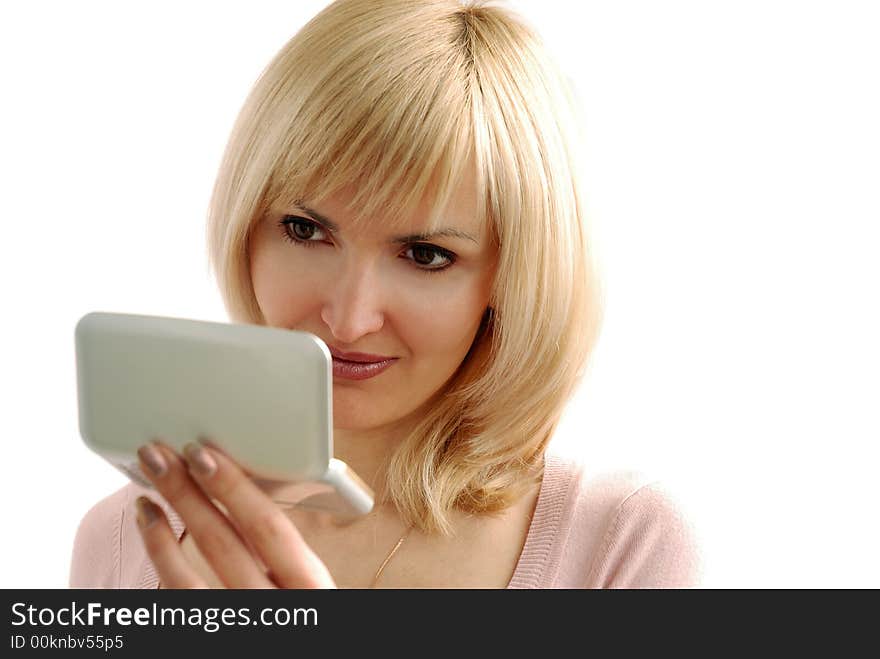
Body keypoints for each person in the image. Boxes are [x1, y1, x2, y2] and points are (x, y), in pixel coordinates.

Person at [70, 0, 701, 589]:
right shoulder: (125, 541)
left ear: (511, 278)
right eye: (304, 229)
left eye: (426, 255)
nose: (348, 318)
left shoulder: (620, 543)